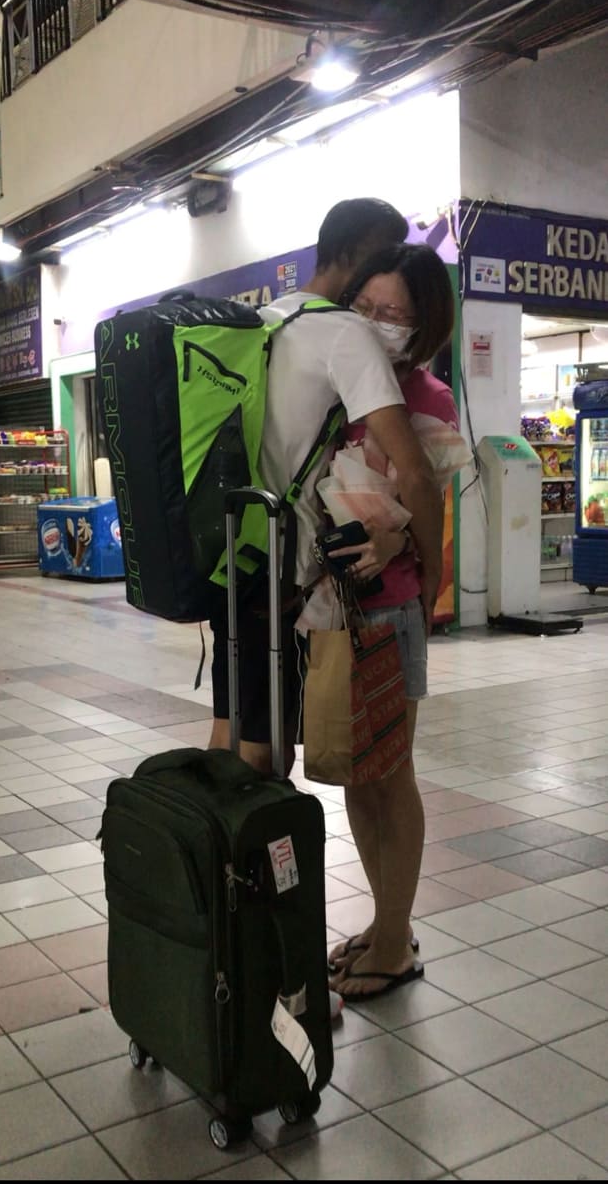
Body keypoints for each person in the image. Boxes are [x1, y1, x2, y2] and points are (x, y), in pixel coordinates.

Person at [208, 201, 444, 780]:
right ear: (358, 255)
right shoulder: (343, 333)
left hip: (229, 557)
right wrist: (433, 577)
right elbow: (414, 472)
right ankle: (245, 864)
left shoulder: (263, 321)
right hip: (282, 574)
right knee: (264, 753)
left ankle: (217, 860)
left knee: (231, 729)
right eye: (383, 257)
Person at [323, 242, 461, 1001]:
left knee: (391, 774)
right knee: (356, 776)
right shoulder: (341, 385)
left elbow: (431, 507)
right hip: (338, 610)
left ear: (422, 327)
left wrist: (396, 536)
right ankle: (386, 926)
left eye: (394, 316)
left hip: (392, 610)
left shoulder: (427, 400)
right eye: (366, 309)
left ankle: (394, 943)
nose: (376, 324)